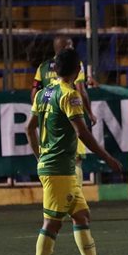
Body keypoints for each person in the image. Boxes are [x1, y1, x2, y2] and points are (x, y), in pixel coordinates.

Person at [24, 47, 125, 255]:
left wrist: (40, 157)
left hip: (57, 167)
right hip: (59, 169)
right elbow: (82, 133)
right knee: (52, 224)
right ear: (77, 69)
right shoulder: (70, 96)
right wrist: (108, 158)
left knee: (81, 216)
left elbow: (29, 128)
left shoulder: (44, 93)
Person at [33, 35, 95, 180]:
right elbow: (81, 89)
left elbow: (34, 91)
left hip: (51, 120)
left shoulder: (43, 67)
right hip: (70, 116)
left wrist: (39, 110)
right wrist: (90, 113)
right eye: (70, 45)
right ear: (63, 48)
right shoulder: (75, 64)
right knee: (75, 160)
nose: (72, 48)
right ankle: (74, 190)